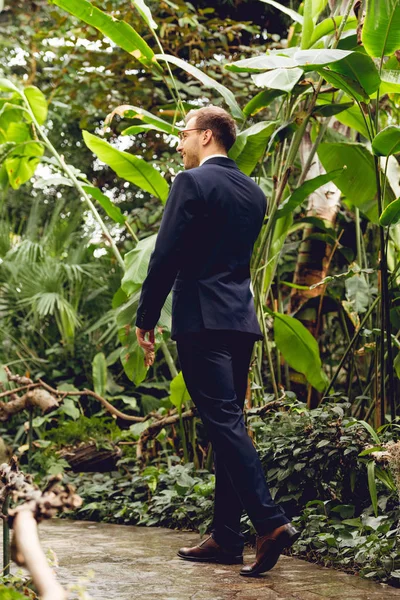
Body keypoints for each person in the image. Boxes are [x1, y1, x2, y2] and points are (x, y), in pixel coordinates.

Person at [135, 105, 298, 577]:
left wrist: (147, 317)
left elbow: (166, 254)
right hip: (240, 320)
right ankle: (227, 537)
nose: (180, 143)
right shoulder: (254, 192)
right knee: (231, 423)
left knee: (224, 423)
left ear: (206, 136)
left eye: (184, 134)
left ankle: (269, 523)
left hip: (201, 320)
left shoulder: (190, 183)